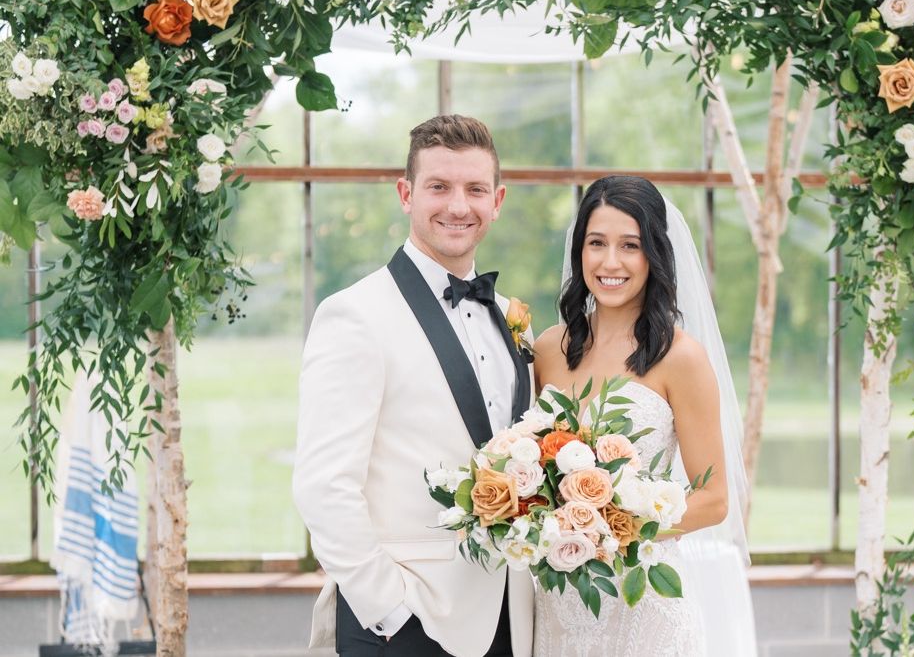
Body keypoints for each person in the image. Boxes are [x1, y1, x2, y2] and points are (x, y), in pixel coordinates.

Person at [293, 115, 534, 657]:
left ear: (497, 201)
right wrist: (389, 612)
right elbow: (323, 485)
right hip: (406, 622)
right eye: (439, 187)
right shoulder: (354, 315)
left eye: (475, 189)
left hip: (509, 620)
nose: (458, 206)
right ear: (406, 194)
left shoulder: (509, 315)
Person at [532, 174, 754, 656]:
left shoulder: (681, 358)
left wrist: (615, 528)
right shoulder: (549, 349)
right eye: (596, 243)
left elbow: (715, 499)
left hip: (644, 608)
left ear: (654, 255)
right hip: (558, 602)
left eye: (629, 246)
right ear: (579, 250)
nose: (610, 262)